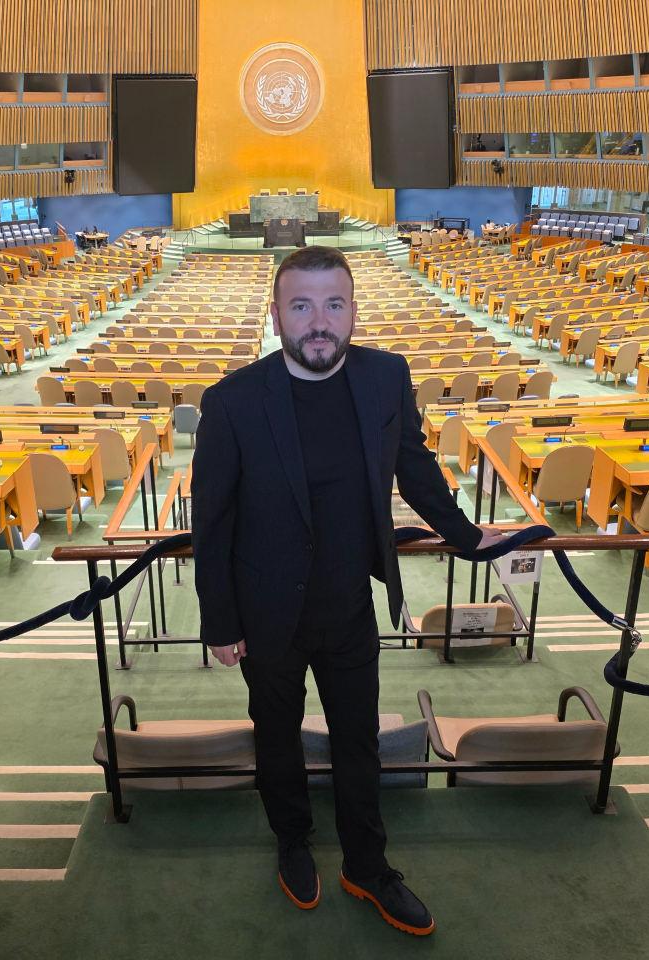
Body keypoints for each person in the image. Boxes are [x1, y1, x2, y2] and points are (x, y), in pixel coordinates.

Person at [191, 246, 503, 936]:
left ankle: (367, 865)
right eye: (301, 306)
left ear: (354, 311)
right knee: (277, 738)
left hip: (349, 604)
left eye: (334, 304)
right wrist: (219, 620)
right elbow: (212, 521)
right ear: (277, 316)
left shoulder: (385, 376)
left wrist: (467, 534)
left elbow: (416, 468)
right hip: (265, 610)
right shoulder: (233, 400)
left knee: (358, 740)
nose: (319, 321)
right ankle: (292, 841)